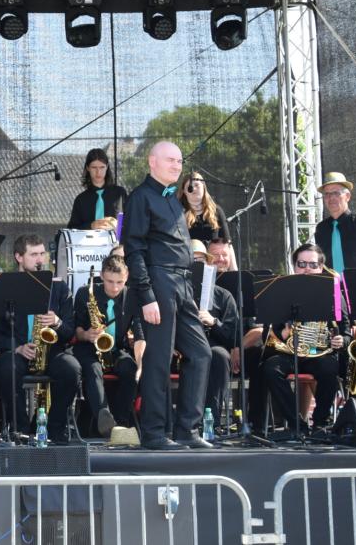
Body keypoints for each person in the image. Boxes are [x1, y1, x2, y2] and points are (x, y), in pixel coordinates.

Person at [122, 141, 212, 449]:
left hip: (183, 283)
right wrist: (146, 295)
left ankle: (188, 429)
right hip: (159, 282)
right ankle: (154, 433)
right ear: (152, 162)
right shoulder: (140, 197)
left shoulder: (172, 198)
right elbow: (134, 249)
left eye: (179, 161)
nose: (177, 165)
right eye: (171, 160)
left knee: (201, 353)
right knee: (159, 359)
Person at [259, 244, 347, 434]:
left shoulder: (333, 293)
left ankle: (320, 423)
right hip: (289, 352)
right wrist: (283, 332)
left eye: (313, 264)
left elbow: (346, 330)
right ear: (294, 266)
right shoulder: (281, 291)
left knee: (329, 368)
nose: (307, 268)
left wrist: (341, 340)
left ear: (321, 267)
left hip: (319, 352)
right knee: (271, 368)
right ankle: (297, 424)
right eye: (302, 264)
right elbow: (269, 331)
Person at [0, 235, 72, 437]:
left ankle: (52, 427)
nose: (40, 260)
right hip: (18, 352)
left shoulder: (59, 287)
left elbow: (69, 331)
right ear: (19, 257)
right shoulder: (5, 287)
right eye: (34, 254)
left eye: (42, 254)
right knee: (7, 368)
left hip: (50, 351)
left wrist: (57, 322)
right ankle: (21, 429)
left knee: (71, 369)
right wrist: (17, 348)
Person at [65, 248, 145, 439]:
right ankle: (104, 417)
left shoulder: (133, 297)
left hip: (116, 348)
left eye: (120, 282)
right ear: (101, 276)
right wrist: (87, 334)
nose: (115, 288)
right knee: (93, 369)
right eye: (110, 281)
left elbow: (140, 336)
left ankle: (121, 424)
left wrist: (140, 365)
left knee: (130, 369)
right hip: (88, 347)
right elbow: (76, 330)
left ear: (127, 277)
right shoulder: (85, 293)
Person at [194, 240, 241, 425]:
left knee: (220, 355)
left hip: (211, 346)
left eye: (201, 261)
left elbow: (232, 336)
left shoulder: (224, 296)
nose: (197, 266)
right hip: (181, 346)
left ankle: (210, 422)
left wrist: (214, 322)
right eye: (193, 261)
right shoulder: (174, 292)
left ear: (208, 263)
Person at [312, 172, 356, 272]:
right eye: (327, 194)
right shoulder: (321, 229)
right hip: (330, 281)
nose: (331, 198)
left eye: (336, 193)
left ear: (347, 196)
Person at [67, 148, 128, 231]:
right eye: (94, 167)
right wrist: (90, 226)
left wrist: (118, 226)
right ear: (88, 168)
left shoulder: (120, 194)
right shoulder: (81, 200)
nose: (98, 172)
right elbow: (72, 229)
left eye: (102, 167)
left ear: (107, 167)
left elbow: (130, 221)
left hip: (116, 239)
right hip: (89, 239)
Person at [181, 171, 231, 245]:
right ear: (184, 191)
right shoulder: (179, 212)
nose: (194, 189)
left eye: (197, 185)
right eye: (189, 187)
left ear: (203, 186)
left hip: (213, 252)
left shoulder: (216, 210)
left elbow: (227, 242)